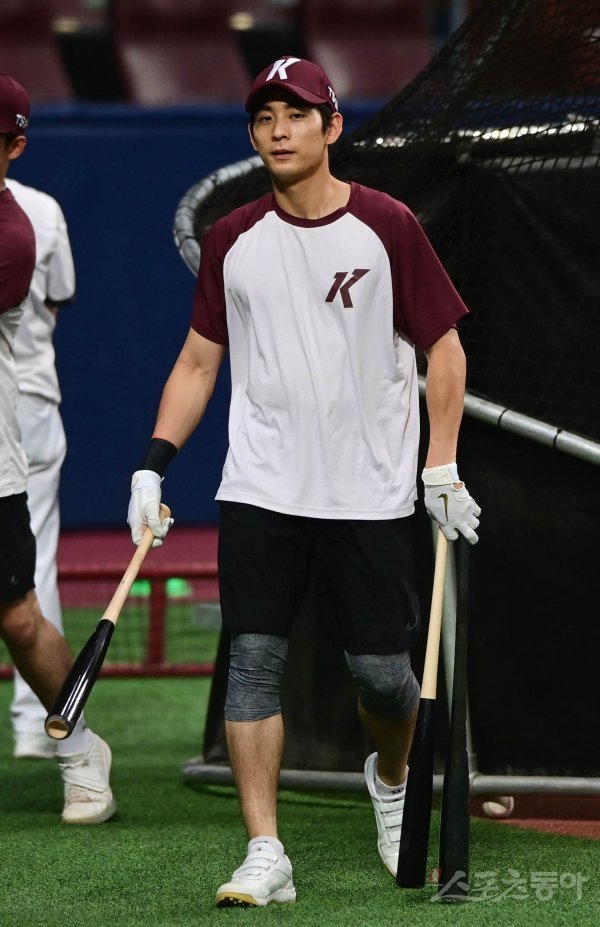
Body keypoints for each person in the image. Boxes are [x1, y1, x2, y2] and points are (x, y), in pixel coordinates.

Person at [127, 56, 480, 906]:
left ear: (332, 127)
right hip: (262, 487)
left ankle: (389, 778)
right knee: (251, 663)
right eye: (264, 117)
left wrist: (441, 460)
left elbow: (445, 347)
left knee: (383, 678)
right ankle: (265, 849)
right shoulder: (231, 240)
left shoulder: (388, 225)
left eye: (296, 114)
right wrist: (151, 462)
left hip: (368, 490)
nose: (278, 130)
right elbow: (198, 361)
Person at [0, 72, 116, 824]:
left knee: (18, 610)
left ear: (12, 146)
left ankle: (74, 744)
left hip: (8, 427)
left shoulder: (18, 228)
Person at [5, 175, 75, 761]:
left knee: (24, 579)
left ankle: (53, 731)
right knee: (35, 566)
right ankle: (36, 724)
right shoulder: (43, 209)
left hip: (19, 403)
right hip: (29, 398)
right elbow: (56, 297)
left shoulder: (30, 212)